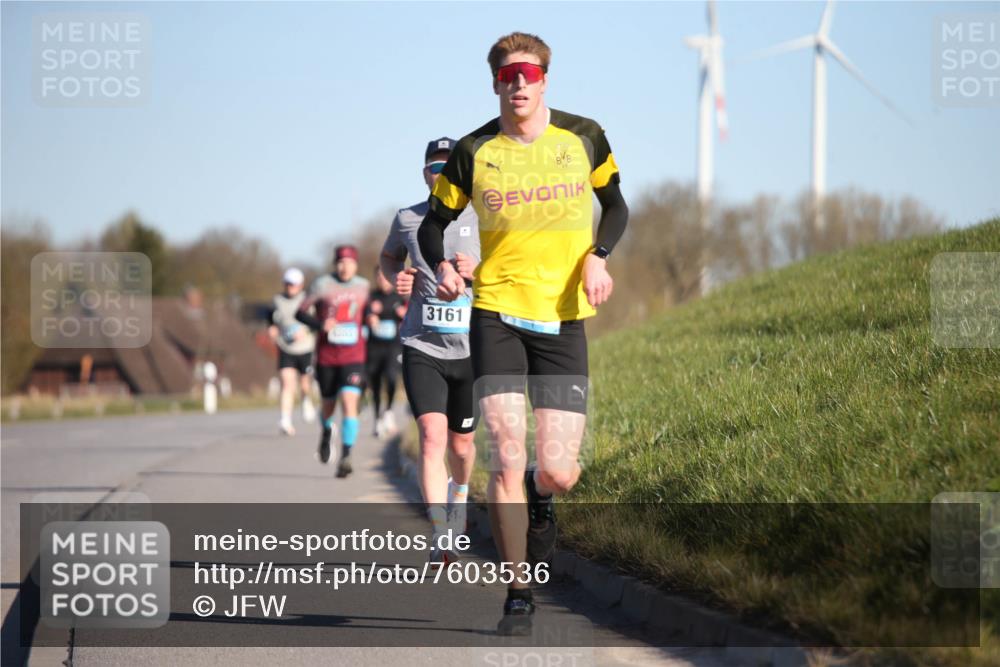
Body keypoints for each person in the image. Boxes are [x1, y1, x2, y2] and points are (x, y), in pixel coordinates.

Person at [417, 33, 629, 634]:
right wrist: (442, 269)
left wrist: (599, 255)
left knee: (558, 469)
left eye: (528, 74)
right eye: (507, 76)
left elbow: (615, 205)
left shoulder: (585, 137)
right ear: (495, 83)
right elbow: (435, 224)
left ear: (544, 80)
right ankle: (517, 591)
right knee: (507, 451)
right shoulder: (473, 151)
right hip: (496, 314)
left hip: (562, 318)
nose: (518, 84)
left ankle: (542, 497)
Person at [382, 137, 480, 564]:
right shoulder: (408, 218)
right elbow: (387, 259)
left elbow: (514, 269)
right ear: (424, 174)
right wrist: (395, 278)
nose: (440, 175)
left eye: (448, 168)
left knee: (461, 448)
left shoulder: (486, 217)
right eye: (433, 168)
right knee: (430, 438)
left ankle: (458, 498)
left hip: (473, 349)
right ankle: (441, 531)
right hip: (422, 344)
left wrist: (479, 270)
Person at [296, 245, 370, 478]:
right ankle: (327, 431)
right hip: (327, 356)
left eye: (348, 262)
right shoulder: (322, 285)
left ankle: (346, 455)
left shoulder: (364, 287)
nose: (344, 266)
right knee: (328, 405)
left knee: (349, 402)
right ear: (334, 264)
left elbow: (368, 314)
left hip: (354, 356)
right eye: (340, 262)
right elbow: (300, 313)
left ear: (355, 265)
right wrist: (320, 326)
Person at [268, 267, 317, 435]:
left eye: (294, 285)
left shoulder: (308, 300)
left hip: (305, 348)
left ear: (301, 285)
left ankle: (306, 400)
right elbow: (271, 319)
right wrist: (272, 329)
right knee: (287, 383)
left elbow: (317, 323)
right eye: (288, 284)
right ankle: (285, 420)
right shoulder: (277, 301)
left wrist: (306, 331)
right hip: (285, 347)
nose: (290, 288)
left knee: (304, 384)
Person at [365, 267, 406, 437]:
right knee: (374, 383)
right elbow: (362, 315)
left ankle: (388, 410)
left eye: (385, 276)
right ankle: (377, 419)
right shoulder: (371, 297)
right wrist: (369, 317)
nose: (382, 280)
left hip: (393, 346)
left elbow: (410, 315)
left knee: (390, 378)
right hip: (374, 347)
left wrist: (403, 315)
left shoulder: (399, 297)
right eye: (379, 277)